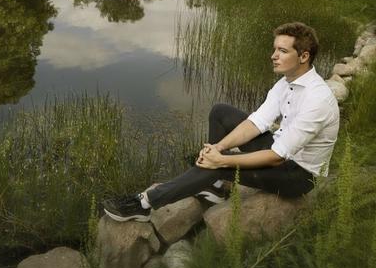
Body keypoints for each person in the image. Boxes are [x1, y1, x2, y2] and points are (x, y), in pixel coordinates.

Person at [103, 22, 340, 222]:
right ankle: (213, 184)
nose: (273, 56)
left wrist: (222, 160)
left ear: (304, 56)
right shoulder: (285, 83)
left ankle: (144, 204)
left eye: (282, 51)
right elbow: (255, 123)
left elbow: (278, 155)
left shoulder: (316, 99)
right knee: (220, 112)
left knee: (218, 165)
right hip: (279, 153)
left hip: (297, 175)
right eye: (274, 49)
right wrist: (218, 148)